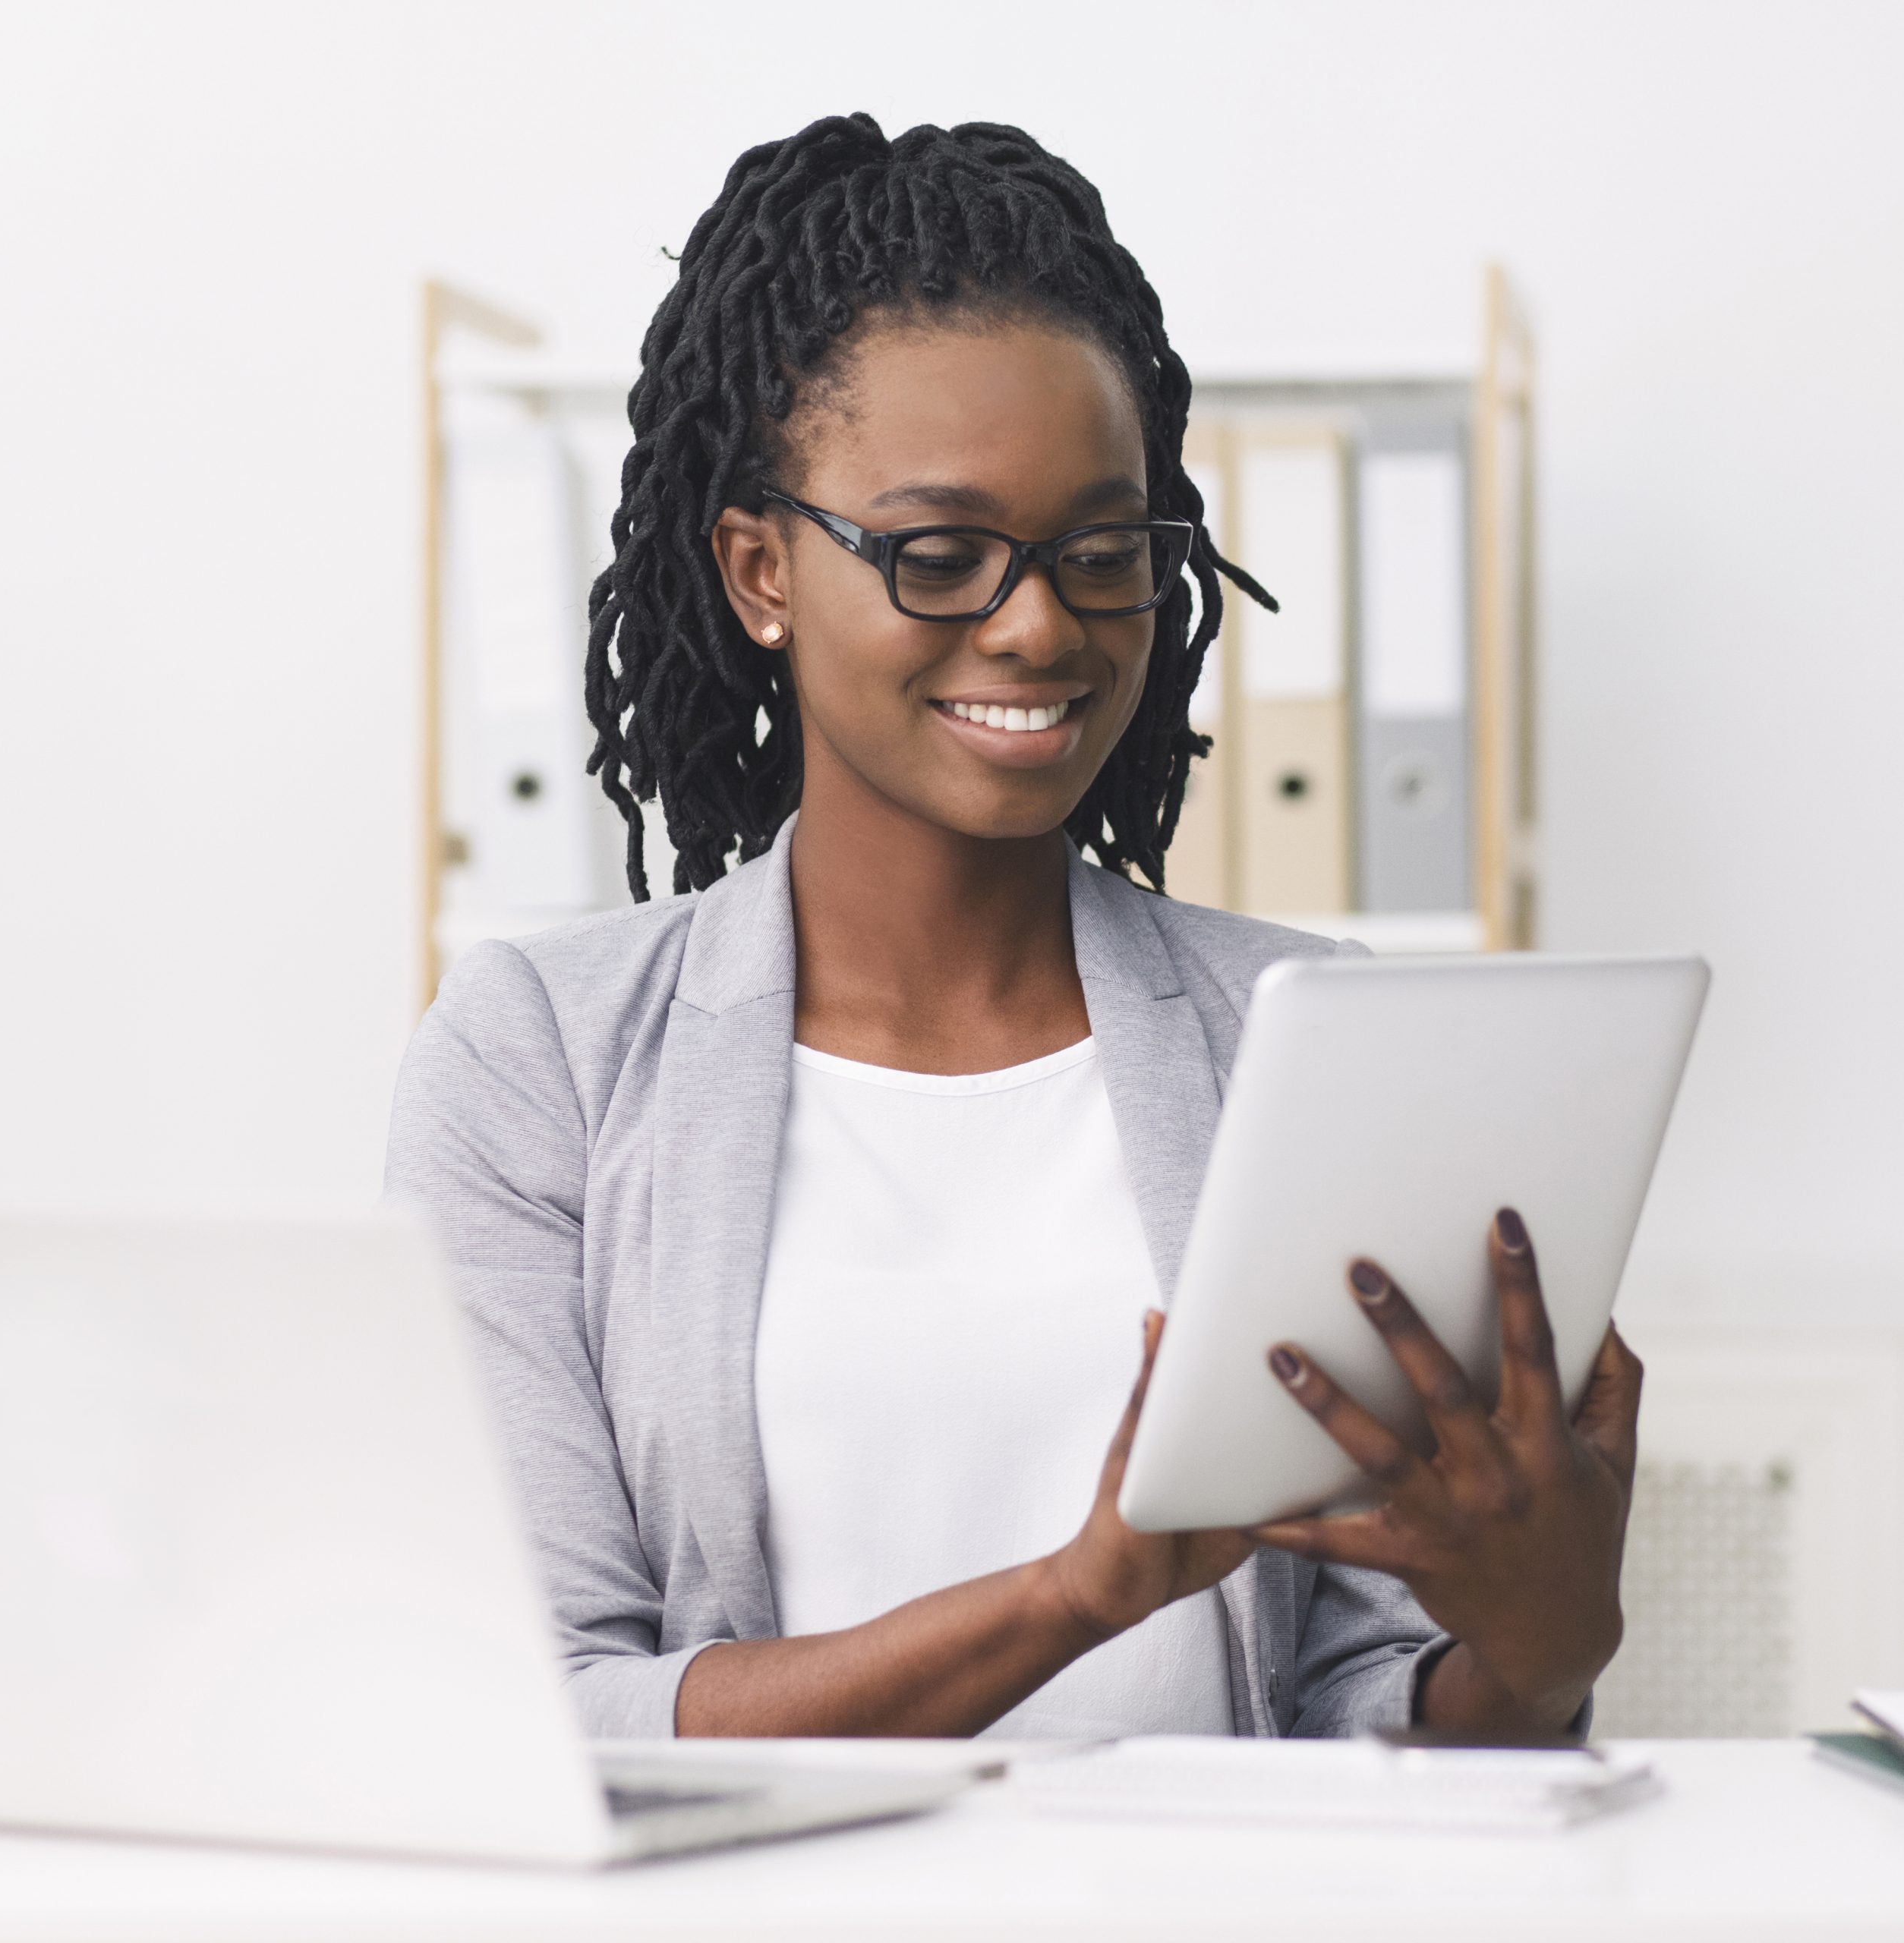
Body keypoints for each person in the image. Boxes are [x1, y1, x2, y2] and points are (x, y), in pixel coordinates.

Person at [386, 114, 1641, 1742]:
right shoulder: (537, 1058)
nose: (1036, 621)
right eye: (938, 553)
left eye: (1097, 551)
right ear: (761, 570)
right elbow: (541, 1712)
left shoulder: (1305, 1033)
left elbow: (1368, 1717)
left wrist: (1533, 1655)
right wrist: (1069, 1596)